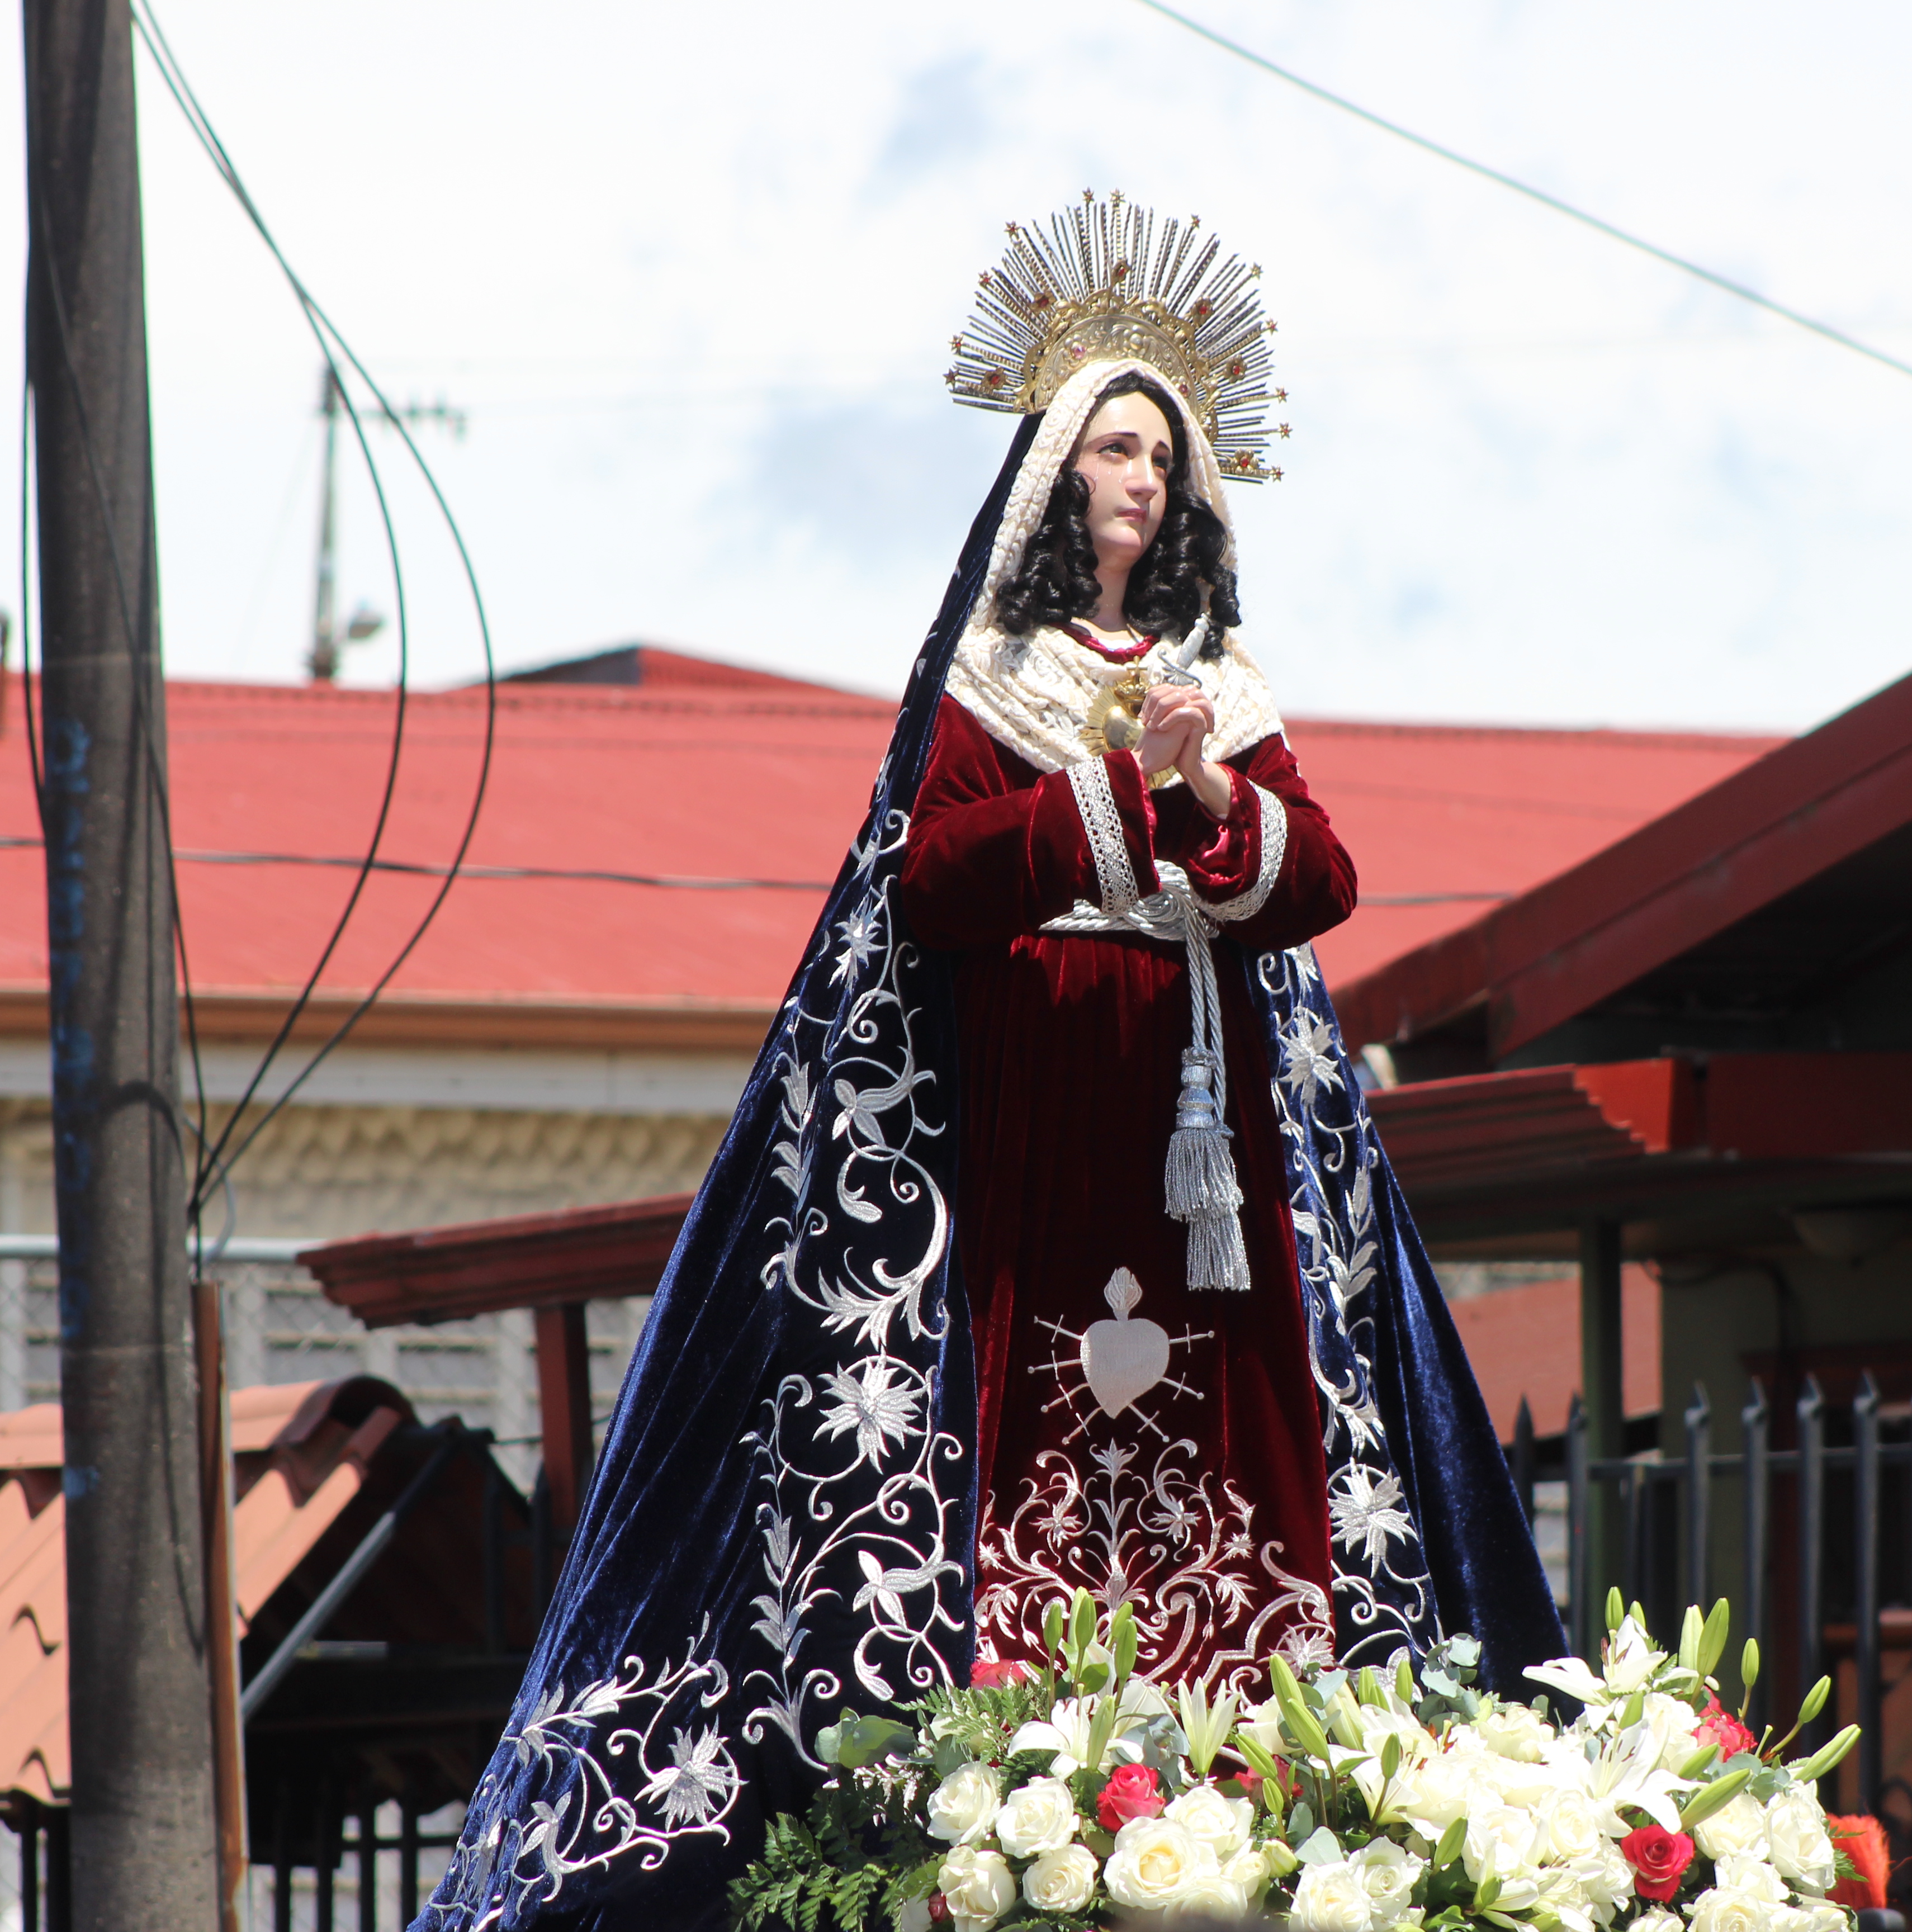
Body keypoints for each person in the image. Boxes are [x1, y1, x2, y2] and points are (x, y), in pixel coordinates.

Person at [415, 194, 1558, 1932]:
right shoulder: (996, 673)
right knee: (1035, 1405)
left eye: (1164, 458)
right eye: (1113, 447)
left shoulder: (1215, 680)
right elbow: (929, 877)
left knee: (1227, 1411)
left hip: (1203, 1128)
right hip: (1036, 1103)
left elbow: (1318, 882)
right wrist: (1098, 797)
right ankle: (1022, 1751)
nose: (1142, 481)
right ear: (1052, 477)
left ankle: (1243, 1728)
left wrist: (1203, 787)